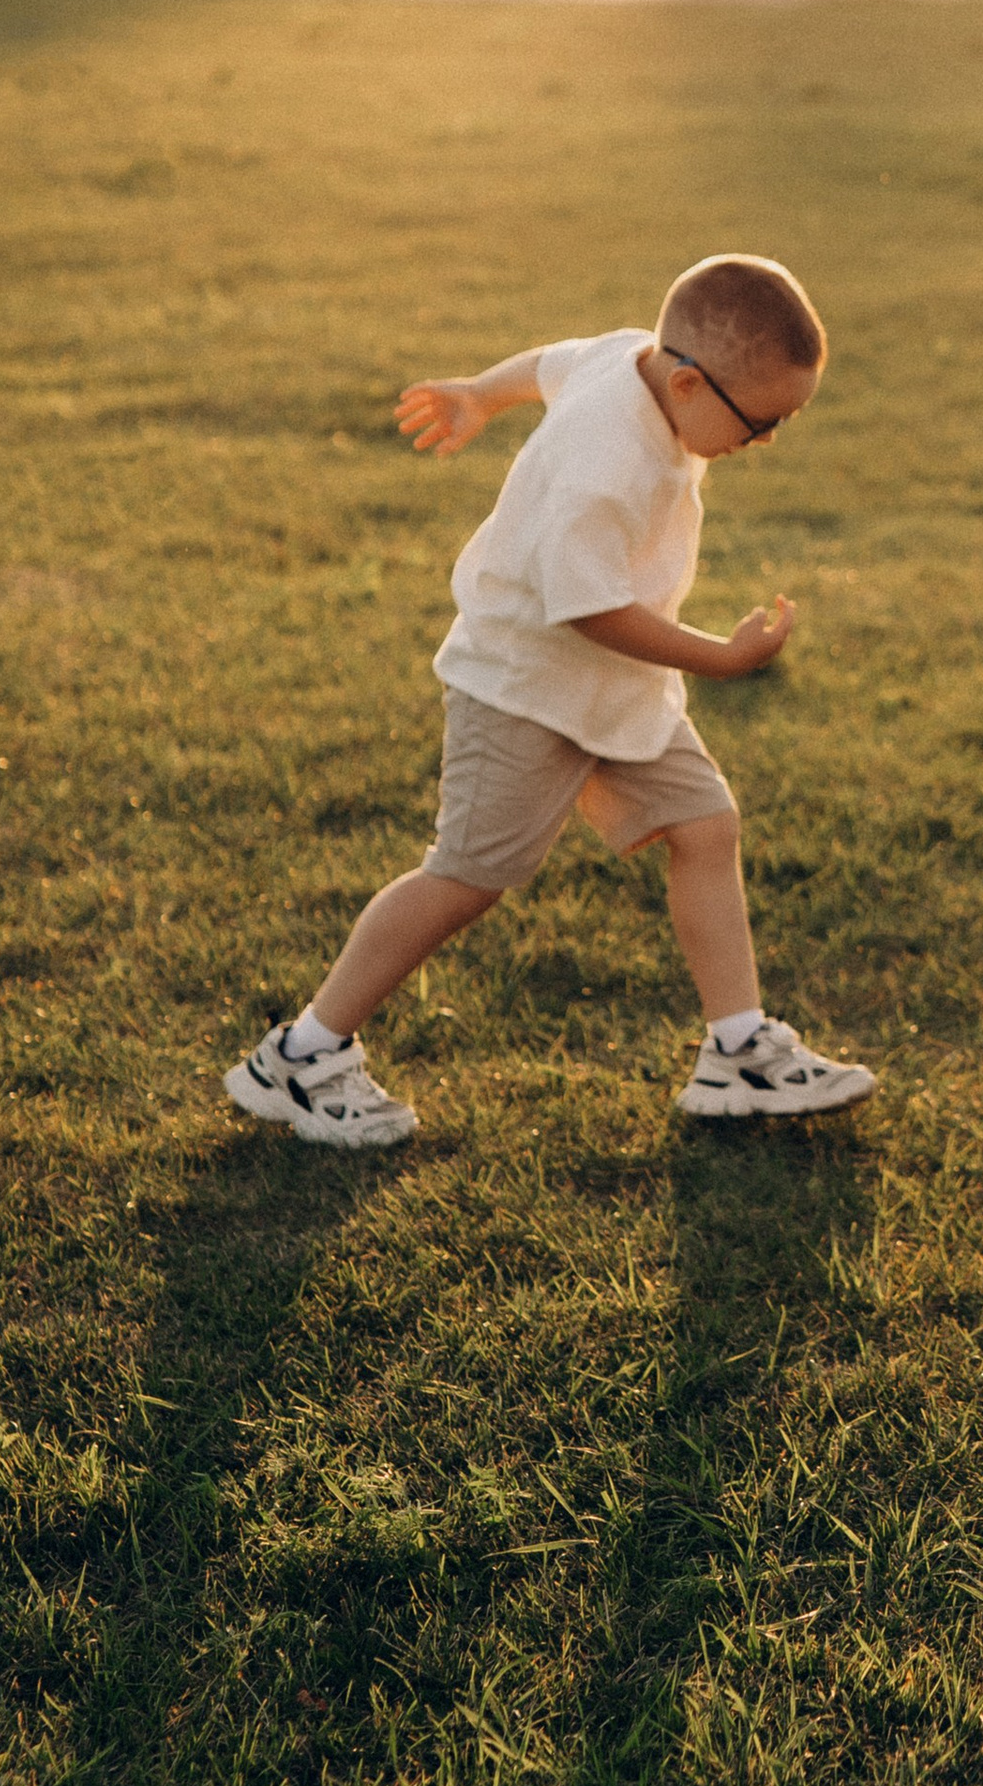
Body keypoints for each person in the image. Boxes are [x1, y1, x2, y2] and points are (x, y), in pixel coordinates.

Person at [224, 253, 876, 1148]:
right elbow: (591, 609)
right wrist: (720, 660)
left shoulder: (632, 359)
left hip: (616, 692)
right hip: (524, 687)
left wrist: (482, 394)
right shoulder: (608, 465)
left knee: (705, 826)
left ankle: (738, 1053)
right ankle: (300, 1056)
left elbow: (549, 362)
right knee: (464, 878)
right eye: (761, 423)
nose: (764, 443)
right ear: (685, 380)